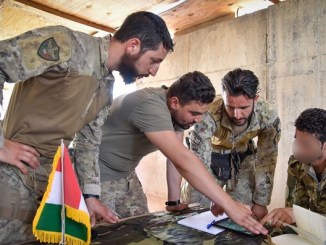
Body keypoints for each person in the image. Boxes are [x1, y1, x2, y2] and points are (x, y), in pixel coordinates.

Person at [0, 11, 173, 244]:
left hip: (48, 182)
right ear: (133, 45)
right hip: (9, 175)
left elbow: (88, 142)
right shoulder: (66, 45)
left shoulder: (107, 86)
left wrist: (91, 195)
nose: (154, 71)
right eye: (154, 60)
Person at [74, 71, 268, 235]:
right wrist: (229, 204)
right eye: (194, 113)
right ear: (175, 102)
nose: (199, 120)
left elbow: (175, 157)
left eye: (202, 113)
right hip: (95, 175)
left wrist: (174, 201)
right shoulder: (150, 105)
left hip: (126, 175)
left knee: (143, 229)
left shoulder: (178, 116)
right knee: (102, 234)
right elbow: (183, 159)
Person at [178, 68, 281, 221]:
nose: (236, 115)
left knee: (245, 215)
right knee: (196, 212)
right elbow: (199, 160)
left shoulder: (267, 115)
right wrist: (216, 197)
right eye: (230, 107)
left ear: (255, 98)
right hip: (209, 160)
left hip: (243, 160)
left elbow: (267, 160)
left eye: (243, 108)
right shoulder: (209, 112)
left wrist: (261, 201)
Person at [261, 108, 326, 227]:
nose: (299, 150)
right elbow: (293, 213)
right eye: (297, 141)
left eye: (306, 144)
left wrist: (301, 216)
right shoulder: (296, 164)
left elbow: (298, 215)